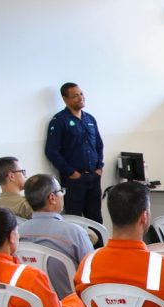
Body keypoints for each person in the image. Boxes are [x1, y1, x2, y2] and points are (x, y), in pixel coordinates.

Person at [20, 174, 94, 299]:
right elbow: (91, 274)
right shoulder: (75, 233)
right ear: (52, 198)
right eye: (61, 191)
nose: (63, 195)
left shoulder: (17, 233)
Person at [45, 82, 104, 223]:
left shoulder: (89, 119)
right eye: (75, 96)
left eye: (81, 94)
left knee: (95, 219)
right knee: (75, 220)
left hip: (93, 177)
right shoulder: (59, 120)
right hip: (74, 180)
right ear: (65, 99)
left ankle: (99, 245)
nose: (80, 98)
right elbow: (51, 151)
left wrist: (99, 168)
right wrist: (71, 172)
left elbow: (99, 145)